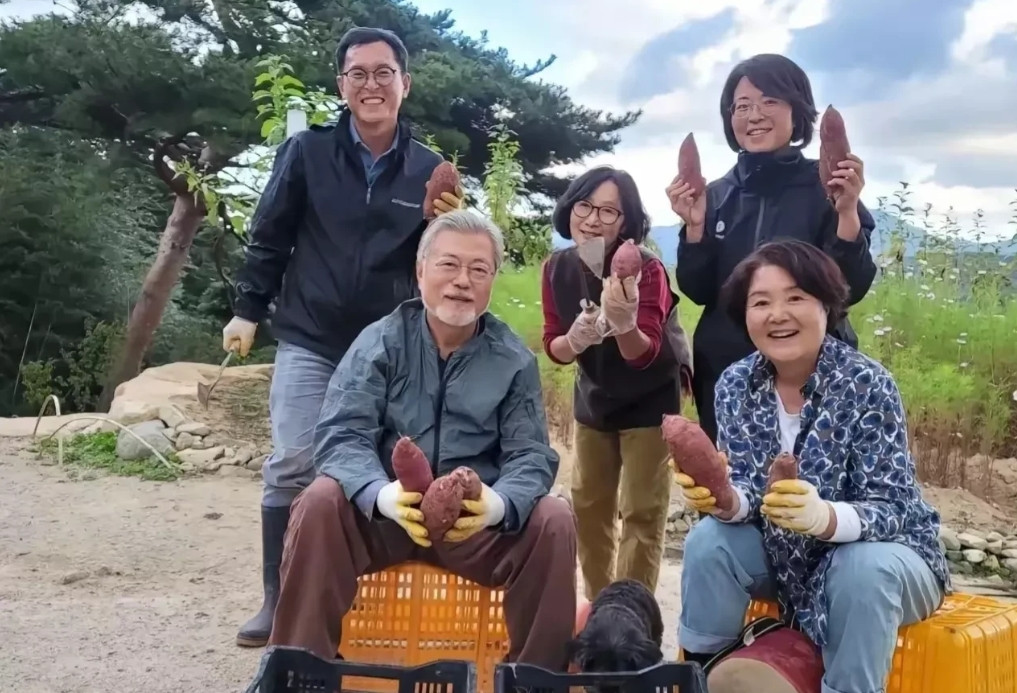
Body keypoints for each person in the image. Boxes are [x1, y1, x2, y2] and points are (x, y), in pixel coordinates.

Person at [223, 26, 465, 648]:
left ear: (404, 83)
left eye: (384, 72)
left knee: (382, 465)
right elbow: (271, 233)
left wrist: (445, 228)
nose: (371, 85)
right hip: (310, 335)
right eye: (358, 74)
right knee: (294, 463)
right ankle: (279, 599)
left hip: (388, 346)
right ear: (342, 85)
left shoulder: (428, 169)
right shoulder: (306, 152)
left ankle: (361, 594)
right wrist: (248, 310)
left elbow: (435, 261)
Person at [266, 209, 577, 671]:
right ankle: (299, 672)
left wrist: (499, 504)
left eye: (478, 269)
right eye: (448, 265)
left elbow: (529, 453)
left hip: (474, 529)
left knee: (554, 517)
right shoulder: (381, 342)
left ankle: (535, 679)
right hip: (387, 521)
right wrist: (379, 494)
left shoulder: (512, 358)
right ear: (420, 271)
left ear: (492, 279)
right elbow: (341, 433)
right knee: (319, 500)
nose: (462, 281)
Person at [675, 239, 950, 693]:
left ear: (827, 305)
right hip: (788, 561)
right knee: (709, 540)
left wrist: (825, 517)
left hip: (891, 557)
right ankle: (703, 676)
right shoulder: (735, 385)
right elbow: (748, 493)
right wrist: (725, 499)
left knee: (862, 568)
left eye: (795, 297)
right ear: (745, 316)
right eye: (760, 302)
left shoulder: (866, 383)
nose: (777, 314)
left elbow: (893, 505)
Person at [667, 53, 878, 443]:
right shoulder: (715, 195)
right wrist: (695, 229)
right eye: (741, 106)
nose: (754, 115)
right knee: (731, 488)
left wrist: (847, 214)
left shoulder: (828, 187)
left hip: (814, 370)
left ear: (797, 111)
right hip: (727, 369)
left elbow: (850, 289)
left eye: (769, 102)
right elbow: (697, 291)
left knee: (811, 488)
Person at [540, 166, 693, 600]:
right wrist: (574, 338)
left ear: (625, 221)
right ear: (571, 206)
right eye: (585, 205)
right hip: (595, 396)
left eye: (609, 211)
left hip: (649, 398)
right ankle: (598, 604)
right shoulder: (558, 268)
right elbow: (555, 345)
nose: (592, 219)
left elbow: (643, 353)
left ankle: (632, 614)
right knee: (589, 508)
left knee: (642, 512)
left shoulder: (647, 269)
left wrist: (623, 323)